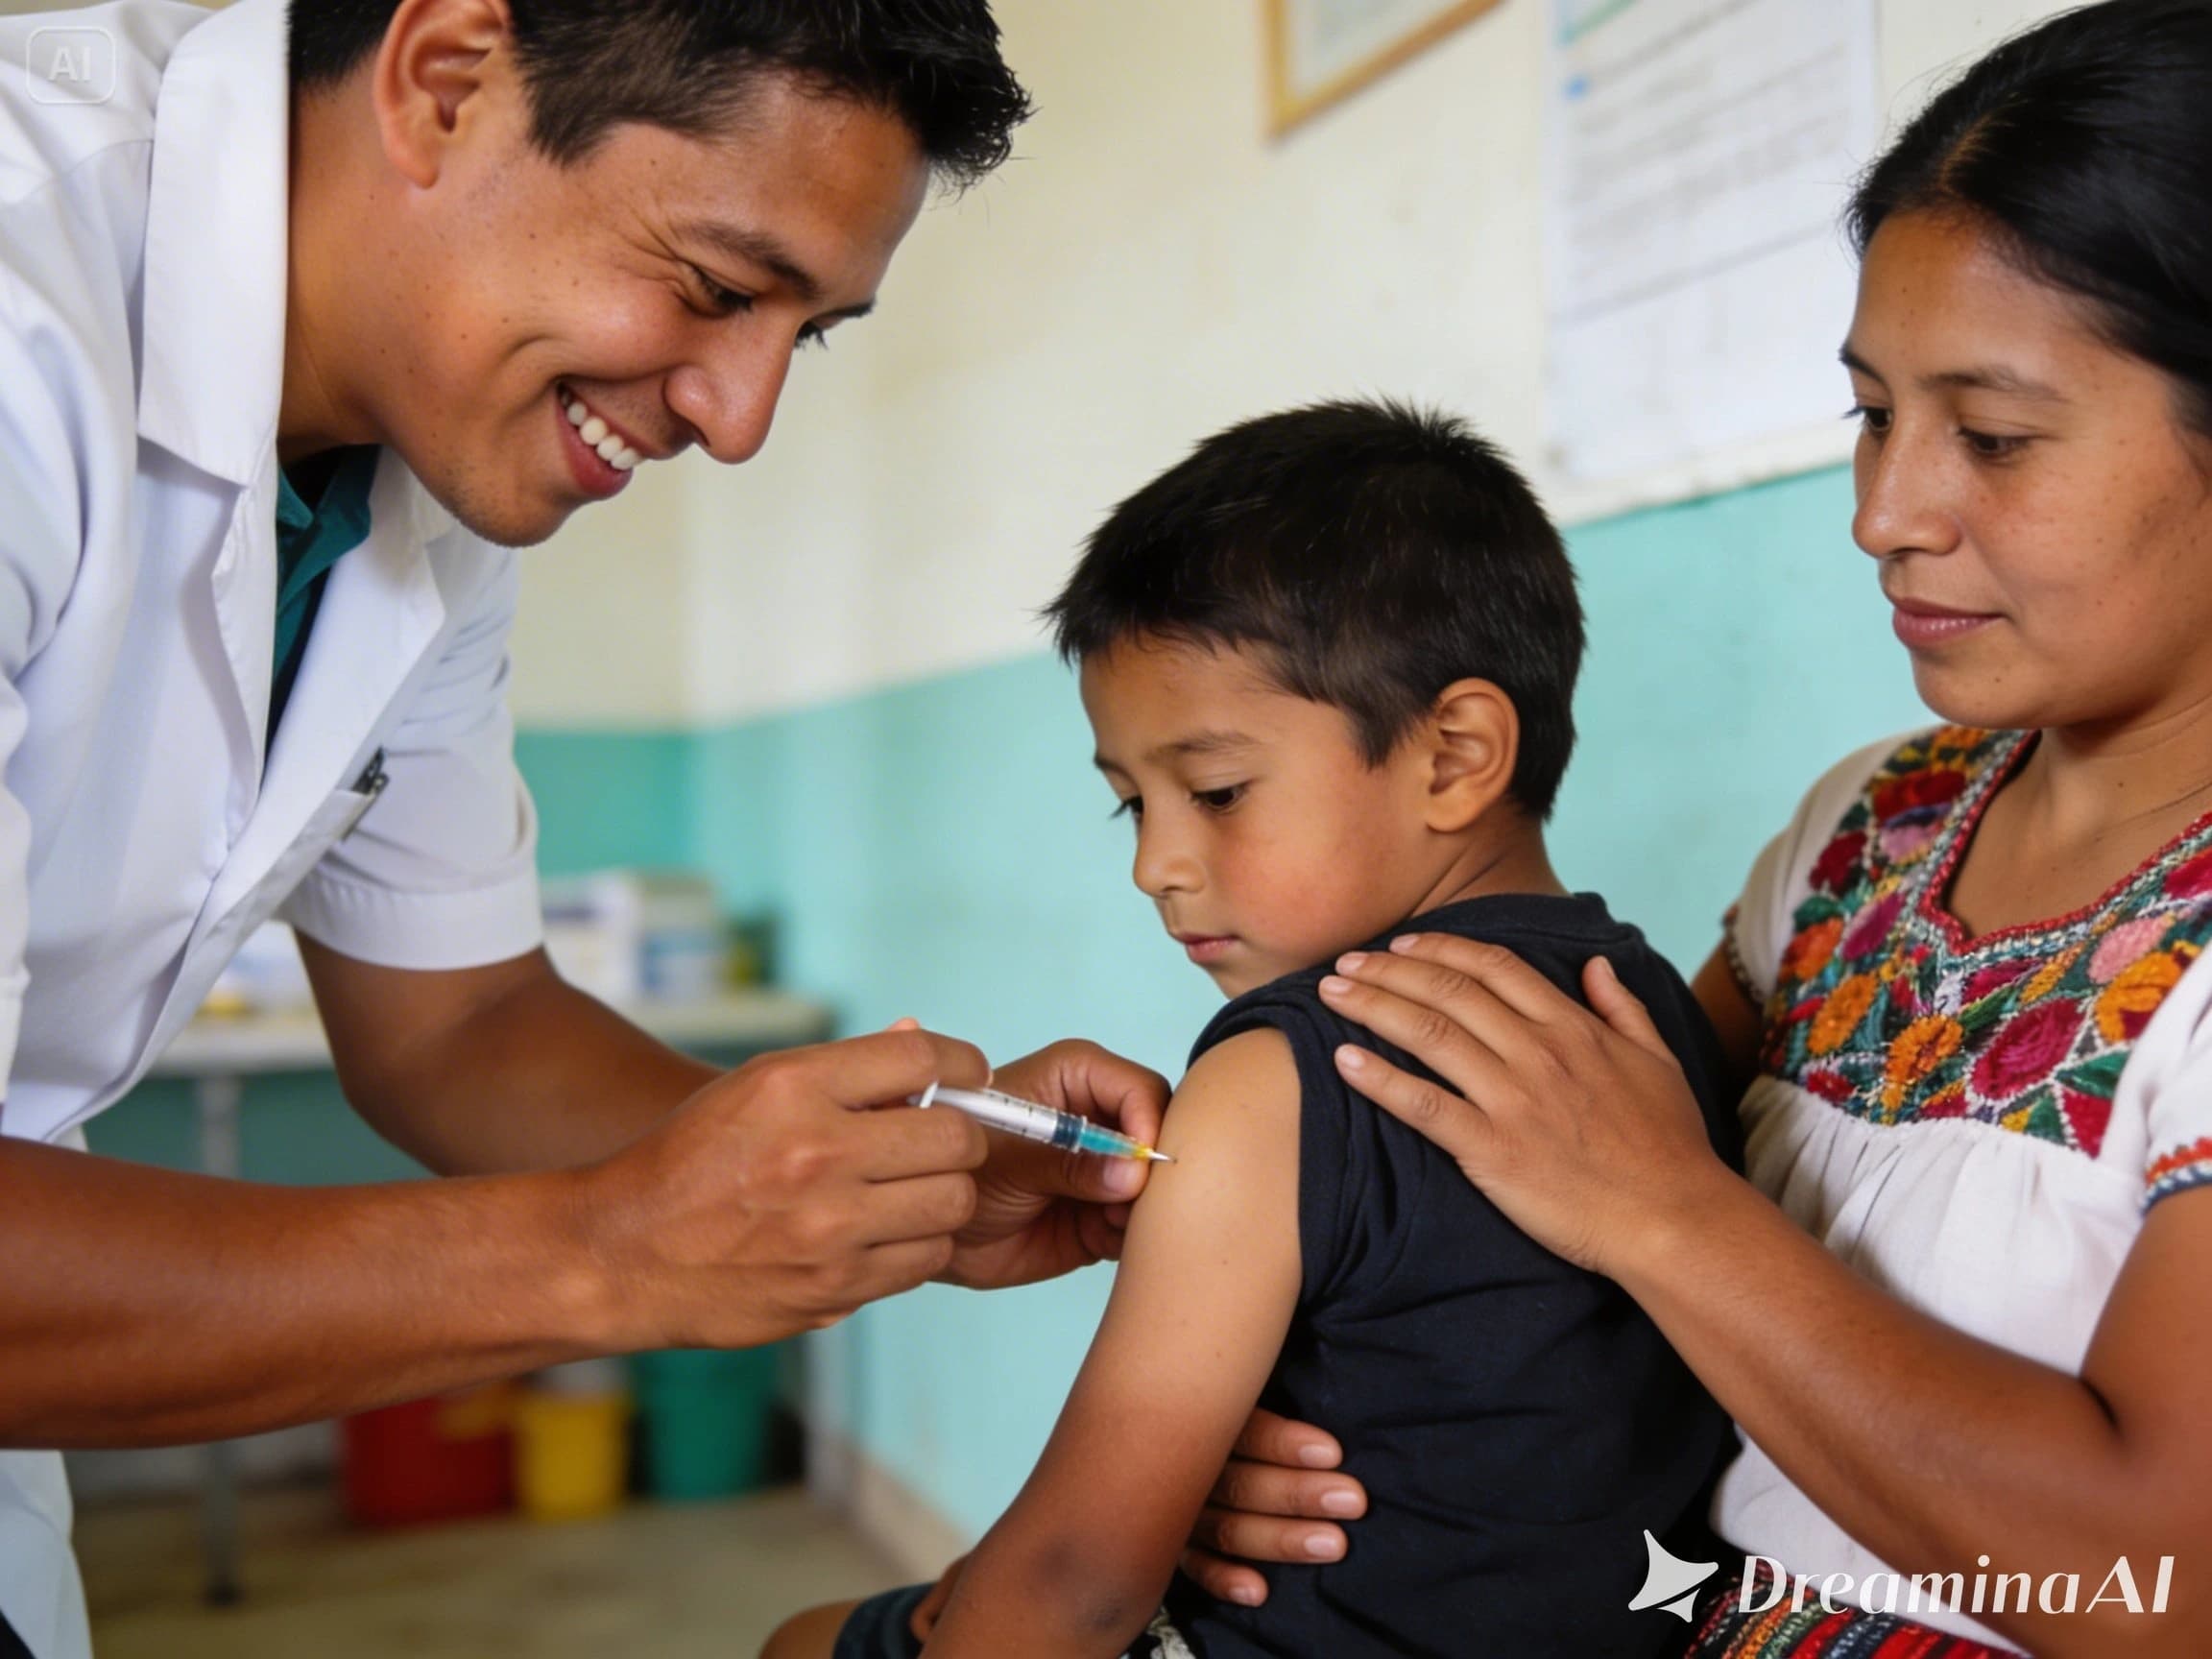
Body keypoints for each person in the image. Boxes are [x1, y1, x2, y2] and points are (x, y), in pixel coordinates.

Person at [0, 6, 1163, 1656]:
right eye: (714, 284)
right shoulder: (22, 308)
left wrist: (879, 1179)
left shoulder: (420, 471)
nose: (740, 416)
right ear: (446, 83)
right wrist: (613, 1256)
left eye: (806, 332)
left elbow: (458, 1023)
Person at [1189, 3, 2212, 1654]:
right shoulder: (1869, 830)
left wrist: (1673, 1215)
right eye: (1873, 415)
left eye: (1997, 437)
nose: (1886, 513)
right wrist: (1270, 1418)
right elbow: (1523, 1226)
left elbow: (2155, 1592)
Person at [764, 400, 1744, 1659]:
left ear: (1455, 754)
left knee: (804, 1640)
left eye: (1217, 791)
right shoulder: (1653, 1003)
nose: (1159, 867)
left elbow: (1076, 1577)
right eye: (1131, 807)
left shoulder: (1279, 1074)